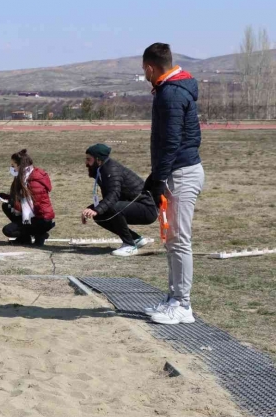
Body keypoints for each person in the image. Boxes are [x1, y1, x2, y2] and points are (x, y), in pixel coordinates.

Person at [140, 43, 205, 325]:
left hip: (180, 174)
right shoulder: (171, 90)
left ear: (150, 68)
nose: (144, 75)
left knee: (179, 241)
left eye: (144, 70)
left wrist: (158, 178)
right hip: (175, 172)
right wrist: (156, 176)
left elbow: (171, 142)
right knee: (172, 241)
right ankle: (173, 297)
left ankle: (183, 304)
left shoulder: (171, 94)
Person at [81, 143, 157, 256]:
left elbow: (113, 196)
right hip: (132, 205)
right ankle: (135, 239)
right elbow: (110, 198)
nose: (86, 163)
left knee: (113, 208)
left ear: (98, 160)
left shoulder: (112, 171)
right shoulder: (103, 169)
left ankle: (129, 246)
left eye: (89, 159)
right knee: (99, 214)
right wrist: (91, 209)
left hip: (148, 209)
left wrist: (96, 209)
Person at [0, 149, 55, 246]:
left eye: (13, 165)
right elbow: (21, 200)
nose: (11, 168)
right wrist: (3, 197)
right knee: (6, 206)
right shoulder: (24, 177)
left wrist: (11, 201)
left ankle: (39, 233)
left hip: (41, 220)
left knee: (8, 230)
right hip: (34, 216)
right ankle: (26, 237)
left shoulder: (34, 182)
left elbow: (33, 207)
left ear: (20, 166)